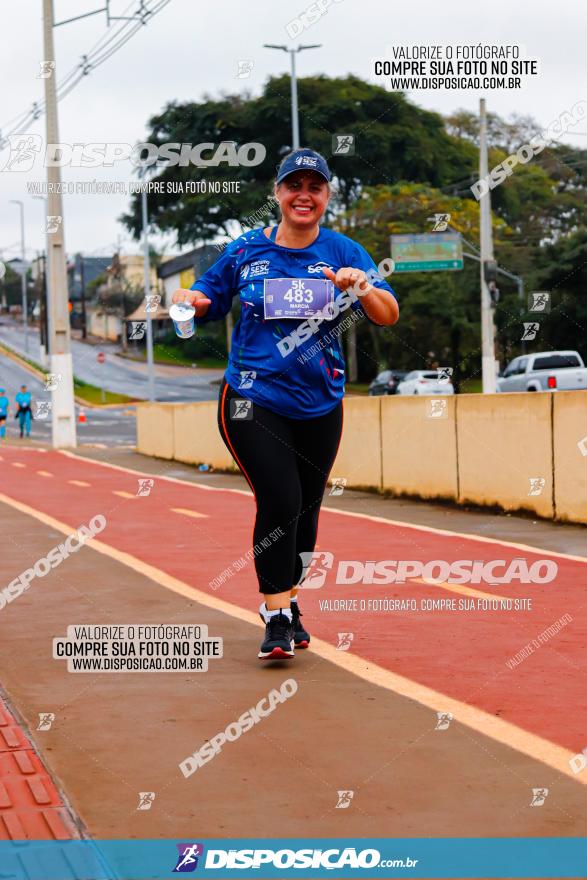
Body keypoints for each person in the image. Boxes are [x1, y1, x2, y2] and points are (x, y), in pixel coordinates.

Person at [172, 147, 399, 661]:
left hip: (320, 401)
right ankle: (275, 615)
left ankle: (291, 601)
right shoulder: (246, 249)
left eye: (314, 187)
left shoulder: (344, 251)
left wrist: (361, 285)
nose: (303, 195)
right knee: (281, 499)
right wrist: (195, 302)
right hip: (252, 396)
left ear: (325, 197)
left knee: (308, 509)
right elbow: (206, 296)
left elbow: (388, 313)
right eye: (293, 186)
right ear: (277, 194)